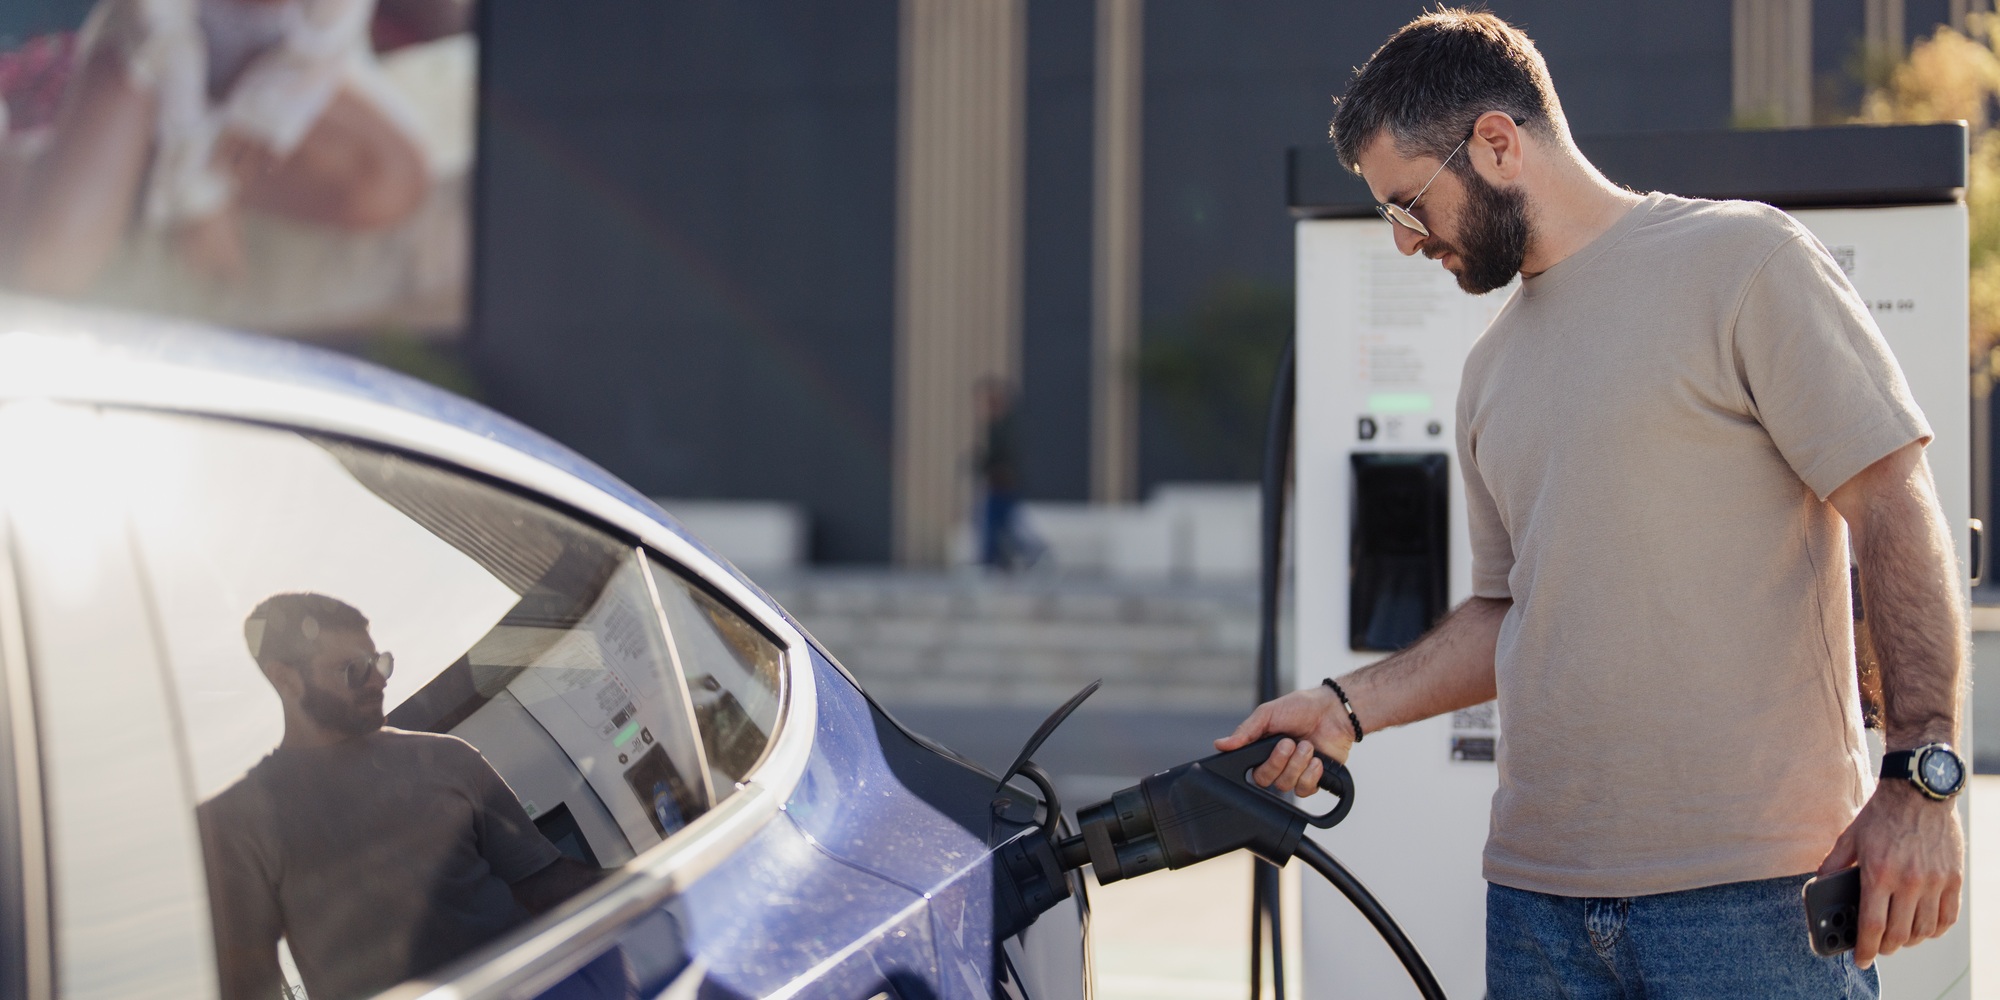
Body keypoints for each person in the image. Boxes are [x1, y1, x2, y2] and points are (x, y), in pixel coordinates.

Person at [1217, 10, 1966, 998]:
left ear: (1494, 142)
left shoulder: (1743, 260)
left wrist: (1919, 779)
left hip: (1751, 904)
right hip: (1535, 910)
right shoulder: (1487, 369)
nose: (1402, 243)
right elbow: (1506, 614)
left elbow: (1892, 505)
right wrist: (1343, 707)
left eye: (1406, 206)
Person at [198, 593, 599, 1000]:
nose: (378, 679)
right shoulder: (235, 822)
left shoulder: (450, 758)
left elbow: (548, 885)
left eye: (380, 662)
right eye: (354, 670)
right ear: (285, 678)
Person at [0, 0, 429, 294]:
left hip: (258, 83)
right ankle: (44, 162)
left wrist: (251, 131)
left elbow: (315, 56)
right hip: (148, 63)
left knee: (393, 181)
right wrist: (199, 202)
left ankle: (140, 178)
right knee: (53, 267)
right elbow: (163, 43)